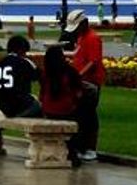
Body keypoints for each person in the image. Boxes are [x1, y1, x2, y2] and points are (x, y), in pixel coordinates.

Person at [64, 9, 104, 161]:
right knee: (80, 114)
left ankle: (90, 148)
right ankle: (81, 146)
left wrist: (78, 75)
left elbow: (93, 62)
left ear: (84, 23)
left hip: (91, 82)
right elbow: (79, 55)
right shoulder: (81, 37)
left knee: (89, 115)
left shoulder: (93, 38)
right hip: (81, 81)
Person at [39, 44, 86, 164]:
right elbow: (78, 92)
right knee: (84, 115)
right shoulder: (69, 72)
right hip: (66, 110)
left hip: (48, 110)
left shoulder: (45, 73)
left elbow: (42, 94)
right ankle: (76, 151)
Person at [0, 35, 42, 118]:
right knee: (43, 107)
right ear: (21, 50)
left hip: (4, 108)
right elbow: (39, 77)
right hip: (21, 106)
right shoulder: (24, 62)